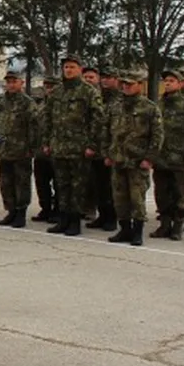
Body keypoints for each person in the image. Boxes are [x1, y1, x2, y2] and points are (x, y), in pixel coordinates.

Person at [41, 55, 105, 236]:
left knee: (78, 186)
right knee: (62, 185)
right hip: (59, 147)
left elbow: (98, 119)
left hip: (79, 148)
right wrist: (46, 141)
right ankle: (63, 219)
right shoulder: (57, 92)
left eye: (72, 67)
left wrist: (92, 145)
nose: (68, 70)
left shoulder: (89, 92)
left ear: (80, 69)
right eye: (66, 67)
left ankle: (75, 221)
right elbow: (47, 117)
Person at [102, 71, 162, 246]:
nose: (126, 87)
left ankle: (137, 232)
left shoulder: (149, 108)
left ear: (140, 85)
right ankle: (124, 229)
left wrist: (149, 158)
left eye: (130, 84)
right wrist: (107, 153)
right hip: (118, 158)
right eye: (124, 84)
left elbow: (157, 135)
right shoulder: (115, 106)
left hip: (137, 161)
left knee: (137, 198)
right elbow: (105, 131)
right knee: (119, 197)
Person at [151, 69, 184, 241]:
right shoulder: (158, 105)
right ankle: (165, 225)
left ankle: (178, 225)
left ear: (180, 84)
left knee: (181, 194)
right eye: (166, 80)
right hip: (161, 159)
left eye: (172, 80)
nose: (167, 83)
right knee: (161, 194)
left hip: (180, 159)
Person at [0, 71, 37, 228]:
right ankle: (11, 211)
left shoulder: (27, 103)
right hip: (4, 150)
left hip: (21, 150)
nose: (11, 85)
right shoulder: (1, 102)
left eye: (14, 82)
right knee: (5, 183)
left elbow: (34, 126)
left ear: (21, 83)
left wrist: (31, 147)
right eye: (8, 82)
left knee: (22, 183)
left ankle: (20, 213)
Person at [86, 66, 121, 231]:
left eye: (110, 77)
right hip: (97, 149)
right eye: (104, 77)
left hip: (112, 149)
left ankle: (112, 218)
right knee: (98, 185)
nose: (106, 80)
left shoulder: (120, 100)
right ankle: (102, 215)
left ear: (116, 80)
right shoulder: (97, 97)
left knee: (111, 186)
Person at [31, 78, 59, 223]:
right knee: (41, 182)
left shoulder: (61, 105)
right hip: (40, 150)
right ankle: (45, 208)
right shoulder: (41, 104)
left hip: (56, 150)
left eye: (52, 86)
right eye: (47, 86)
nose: (49, 89)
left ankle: (57, 210)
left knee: (58, 183)